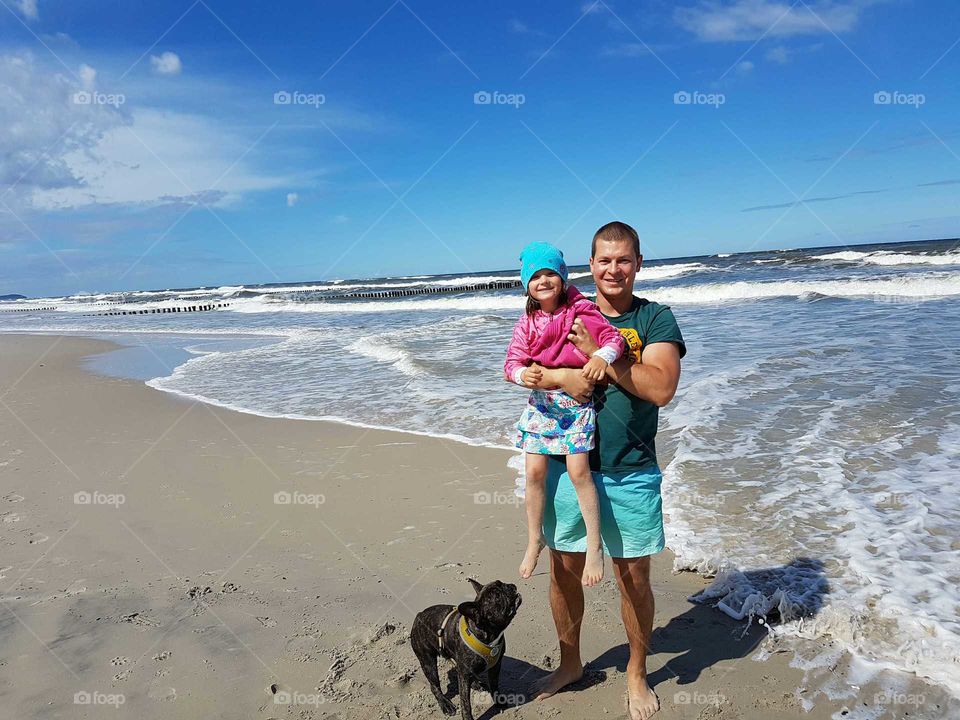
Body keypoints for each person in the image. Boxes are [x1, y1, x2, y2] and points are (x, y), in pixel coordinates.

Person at [526, 222, 685, 720]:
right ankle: (570, 662)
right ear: (590, 266)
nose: (613, 269)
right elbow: (530, 368)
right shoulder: (567, 312)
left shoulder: (655, 319)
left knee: (633, 577)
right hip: (566, 465)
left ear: (638, 264)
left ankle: (636, 671)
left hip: (630, 468)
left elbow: (660, 387)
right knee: (563, 571)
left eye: (623, 260)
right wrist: (560, 375)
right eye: (604, 260)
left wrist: (599, 360)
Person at [504, 241, 625, 587]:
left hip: (576, 405)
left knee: (578, 472)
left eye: (550, 274)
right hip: (542, 404)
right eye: (536, 275)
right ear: (526, 283)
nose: (543, 280)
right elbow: (511, 362)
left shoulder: (580, 309)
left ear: (562, 277)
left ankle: (593, 545)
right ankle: (534, 539)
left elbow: (613, 338)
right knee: (534, 472)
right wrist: (521, 374)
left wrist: (602, 357)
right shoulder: (527, 321)